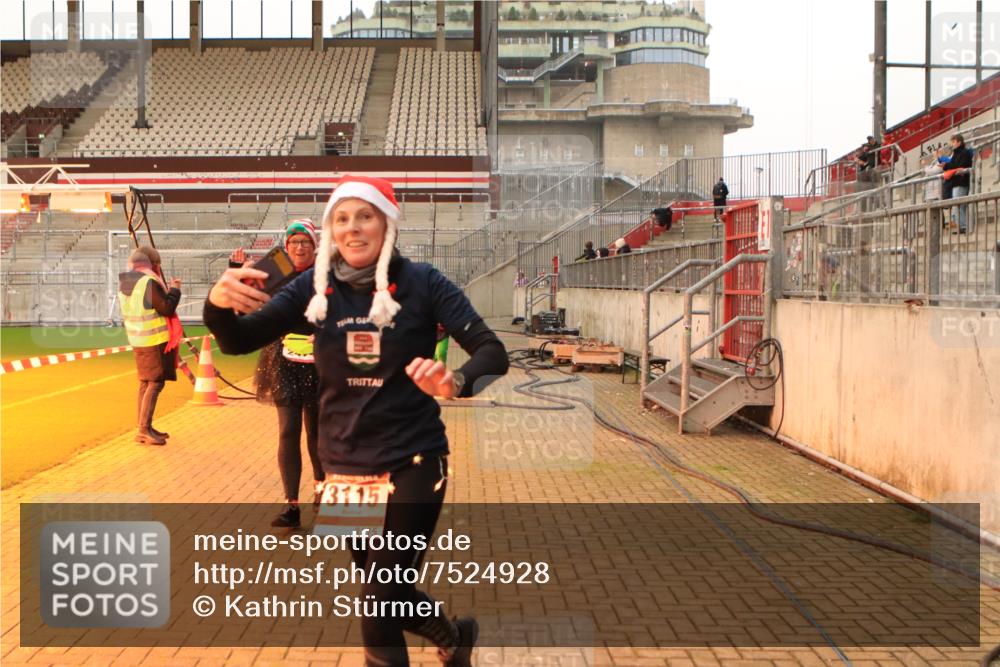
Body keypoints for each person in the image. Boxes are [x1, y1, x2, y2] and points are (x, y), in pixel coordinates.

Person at [203, 174, 509, 666]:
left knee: (378, 600)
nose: (353, 228)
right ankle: (454, 638)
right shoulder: (315, 286)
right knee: (384, 590)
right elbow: (238, 339)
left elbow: (492, 352)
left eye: (365, 216)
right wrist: (215, 308)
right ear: (331, 231)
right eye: (341, 219)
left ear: (387, 223)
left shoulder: (423, 281)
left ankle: (451, 640)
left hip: (414, 459)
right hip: (344, 465)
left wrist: (455, 381)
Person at [231, 220, 326, 529]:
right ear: (287, 247)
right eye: (294, 242)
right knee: (288, 432)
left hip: (321, 362)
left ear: (315, 246)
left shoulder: (327, 274)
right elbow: (243, 309)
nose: (299, 247)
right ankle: (291, 506)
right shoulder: (275, 273)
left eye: (305, 242)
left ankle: (321, 491)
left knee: (317, 434)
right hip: (283, 360)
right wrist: (238, 274)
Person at [118, 246, 181, 446]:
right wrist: (175, 290)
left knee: (146, 383)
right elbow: (166, 307)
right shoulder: (148, 282)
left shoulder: (126, 282)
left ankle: (144, 426)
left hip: (138, 339)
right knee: (155, 383)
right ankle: (143, 430)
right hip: (153, 340)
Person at [942, 133, 974, 234]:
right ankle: (962, 226)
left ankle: (963, 226)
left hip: (961, 182)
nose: (952, 144)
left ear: (959, 142)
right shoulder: (956, 153)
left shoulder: (964, 152)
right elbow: (954, 164)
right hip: (956, 182)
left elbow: (961, 165)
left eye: (954, 142)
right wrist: (946, 165)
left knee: (959, 205)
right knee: (958, 205)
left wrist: (947, 166)